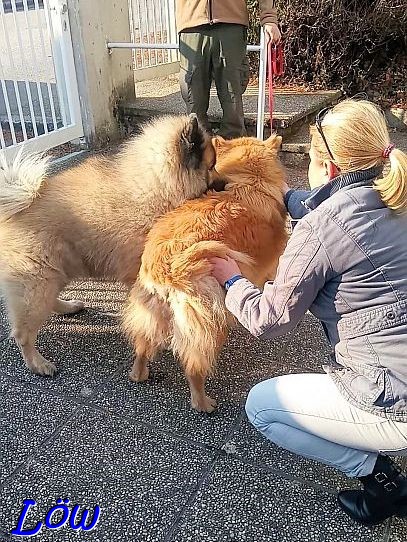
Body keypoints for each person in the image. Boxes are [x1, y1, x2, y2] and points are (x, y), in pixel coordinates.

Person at [210, 98, 407, 525]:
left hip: (394, 398)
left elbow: (270, 321)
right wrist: (281, 195)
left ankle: (381, 479)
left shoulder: (323, 228)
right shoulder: (397, 188)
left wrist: (230, 278)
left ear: (329, 169)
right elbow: (332, 205)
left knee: (261, 407)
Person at [175, 1, 281, 139]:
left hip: (231, 24)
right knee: (194, 99)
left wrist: (269, 18)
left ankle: (234, 152)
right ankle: (198, 154)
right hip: (191, 24)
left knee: (233, 100)